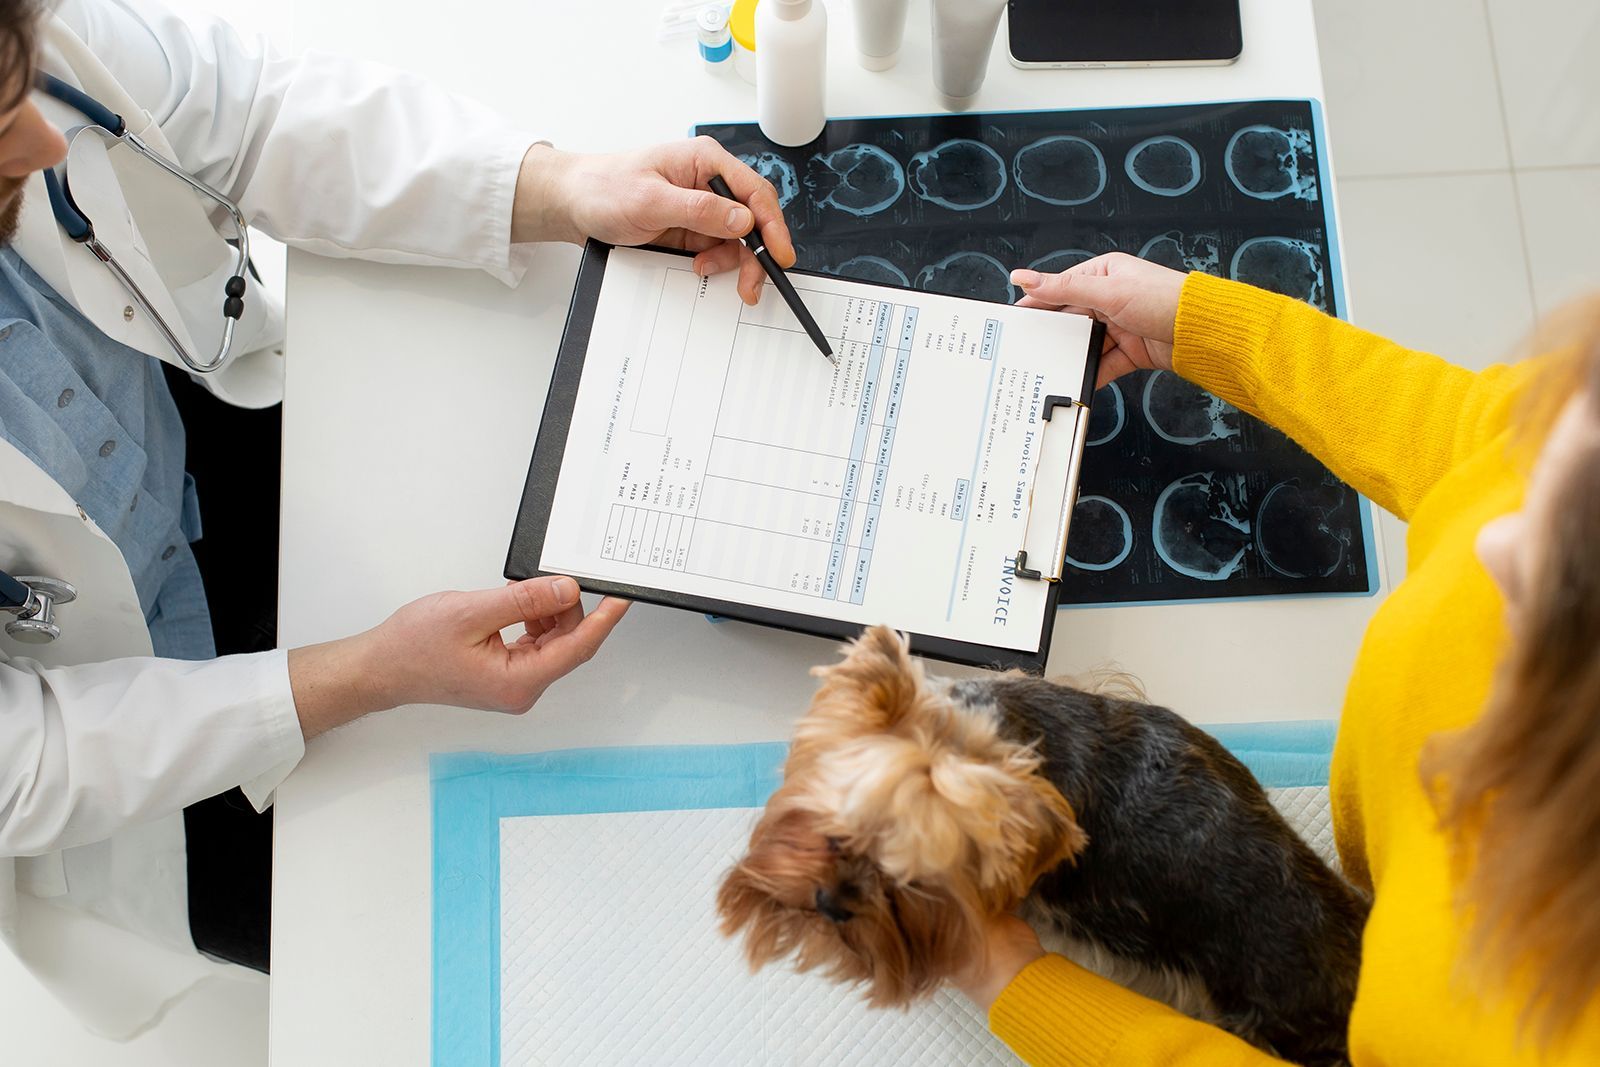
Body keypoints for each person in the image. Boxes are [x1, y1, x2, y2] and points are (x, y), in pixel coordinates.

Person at [0, 0, 795, 1036]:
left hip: (210, 432)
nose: (49, 142)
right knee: (449, 949)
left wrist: (560, 188)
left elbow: (250, 114)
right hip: (123, 751)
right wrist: (370, 672)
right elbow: (28, 757)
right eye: (1, 134)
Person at [948, 253, 1600, 1062]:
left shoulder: (1528, 1024)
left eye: (1571, 565)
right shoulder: (1542, 476)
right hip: (1382, 865)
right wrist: (1201, 324)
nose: (1493, 536)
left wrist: (1019, 985)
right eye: (1544, 478)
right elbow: (1475, 436)